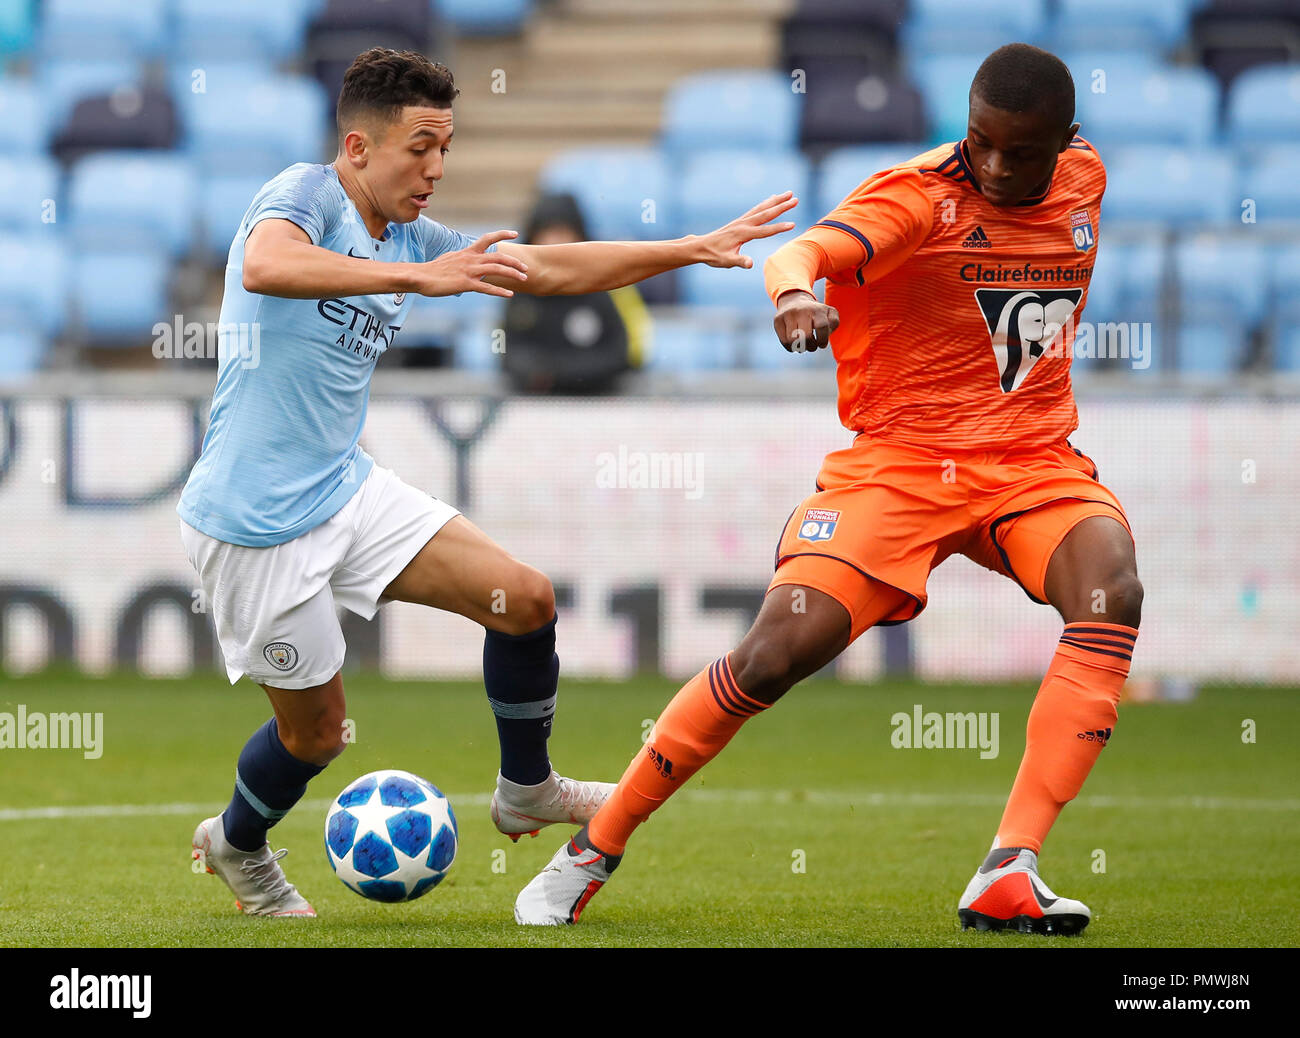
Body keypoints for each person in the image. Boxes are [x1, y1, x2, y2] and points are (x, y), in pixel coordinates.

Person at [515, 43, 1141, 937]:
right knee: (776, 652)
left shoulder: (1087, 177)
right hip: (899, 464)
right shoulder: (916, 195)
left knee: (1112, 588)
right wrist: (794, 293)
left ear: (1064, 142)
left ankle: (1010, 867)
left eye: (1021, 152)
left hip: (1031, 464)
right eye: (981, 143)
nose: (997, 166)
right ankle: (592, 849)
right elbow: (805, 250)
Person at [182, 46, 796, 917]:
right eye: (419, 147)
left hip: (342, 488)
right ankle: (237, 845)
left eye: (446, 147)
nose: (435, 168)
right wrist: (416, 275)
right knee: (314, 737)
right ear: (358, 148)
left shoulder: (409, 235)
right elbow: (265, 267)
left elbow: (544, 268)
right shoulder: (306, 194)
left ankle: (526, 788)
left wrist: (690, 249)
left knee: (524, 598)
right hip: (251, 524)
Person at [501, 192, 650, 393]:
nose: (554, 242)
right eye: (547, 233)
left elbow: (628, 353)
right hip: (537, 408)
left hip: (602, 404)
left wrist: (561, 373)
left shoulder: (611, 281)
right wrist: (536, 373)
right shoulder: (518, 286)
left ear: (580, 236)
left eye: (563, 232)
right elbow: (507, 350)